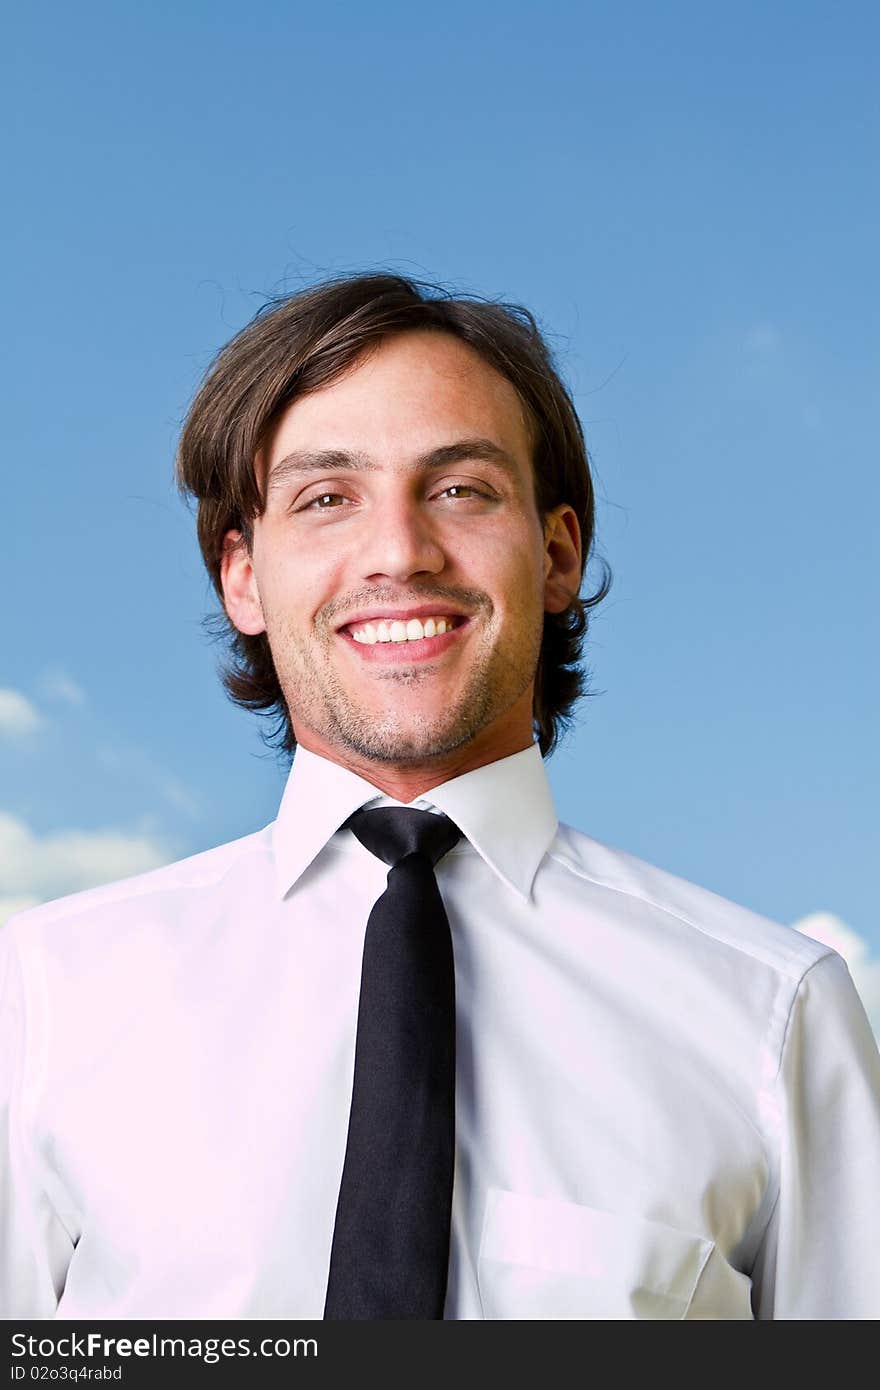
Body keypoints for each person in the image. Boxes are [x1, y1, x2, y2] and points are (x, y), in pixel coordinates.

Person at [2, 273, 878, 1321]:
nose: (399, 552)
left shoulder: (773, 1012)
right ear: (243, 577)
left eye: (460, 489)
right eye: (327, 498)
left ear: (556, 554)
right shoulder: (44, 998)